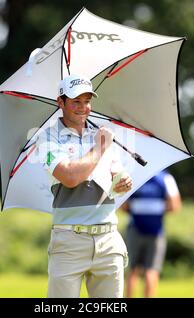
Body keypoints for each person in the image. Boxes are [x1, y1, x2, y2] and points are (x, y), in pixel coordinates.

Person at [35, 74, 133, 298]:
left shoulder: (102, 135)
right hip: (69, 241)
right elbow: (69, 176)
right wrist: (99, 147)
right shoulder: (47, 138)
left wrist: (122, 180)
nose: (83, 107)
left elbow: (115, 172)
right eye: (76, 101)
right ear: (60, 102)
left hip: (108, 240)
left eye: (87, 101)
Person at [121, 170, 182, 298]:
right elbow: (175, 205)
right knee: (152, 270)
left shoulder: (133, 176)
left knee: (132, 270)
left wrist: (138, 209)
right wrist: (156, 208)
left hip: (135, 229)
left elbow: (124, 206)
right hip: (156, 230)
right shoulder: (166, 178)